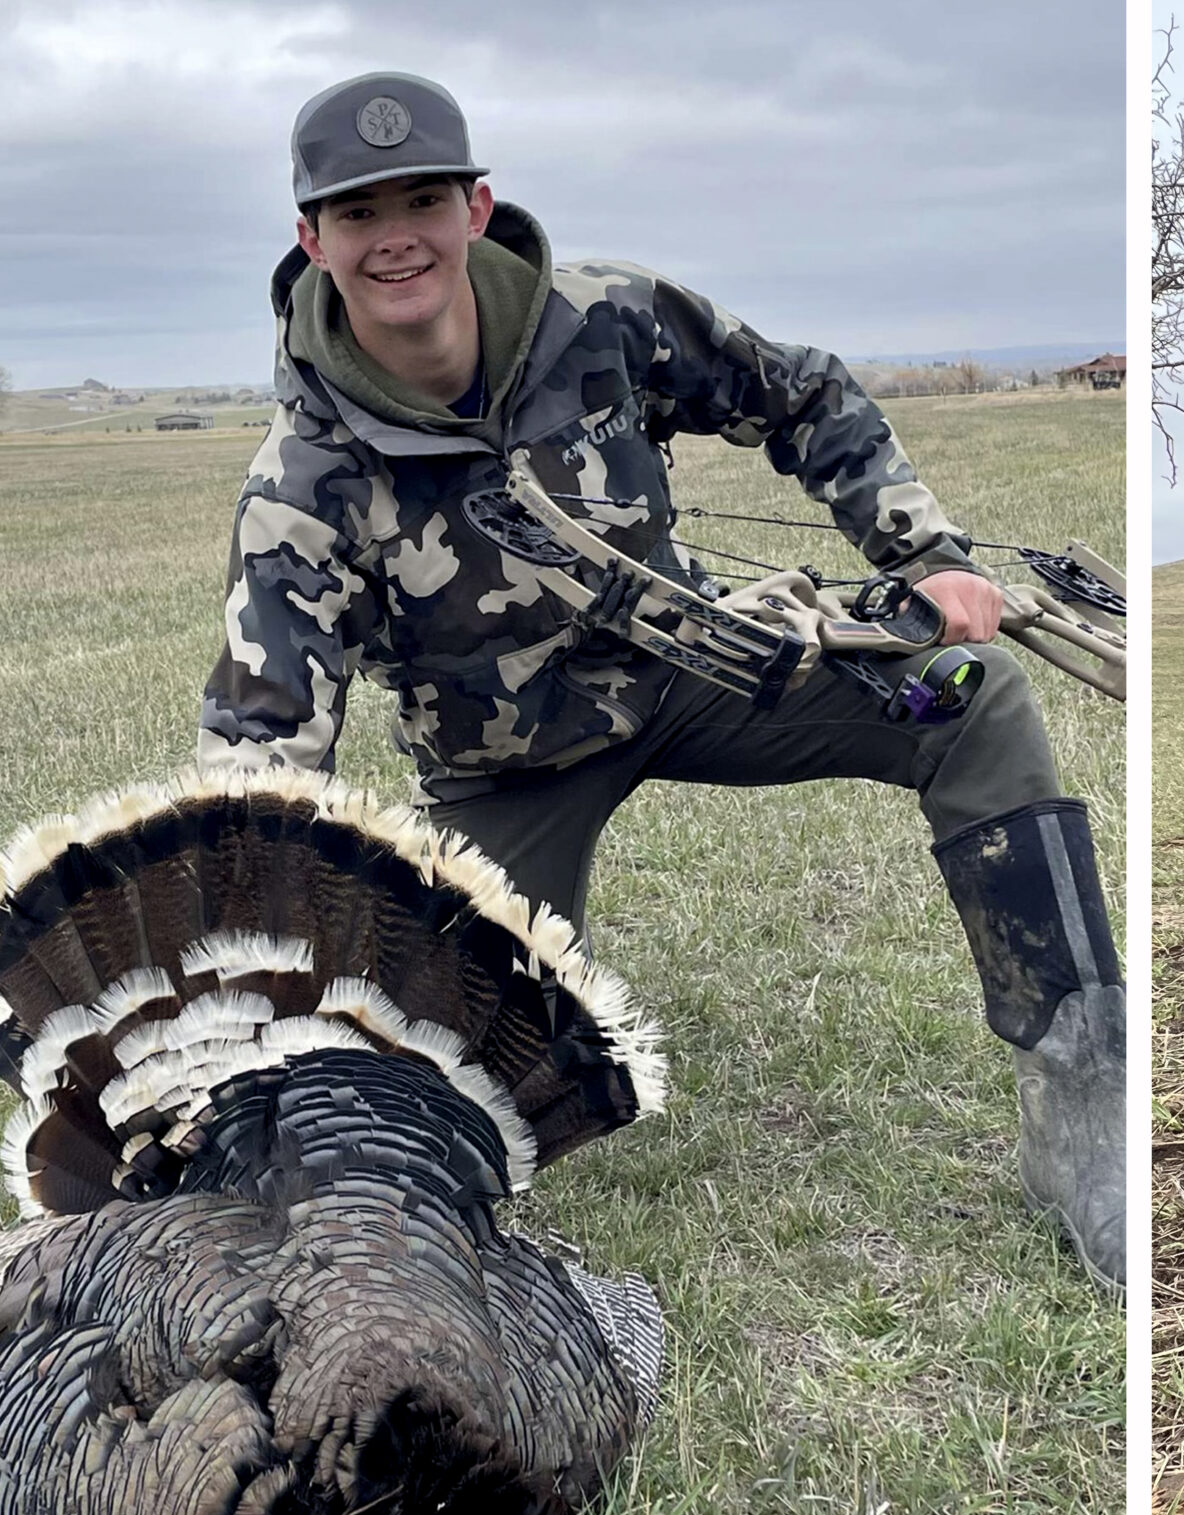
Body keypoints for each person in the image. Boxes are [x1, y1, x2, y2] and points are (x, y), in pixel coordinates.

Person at [194, 72, 1122, 1289]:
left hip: (696, 669)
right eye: (359, 214)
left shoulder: (607, 318)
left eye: (422, 198)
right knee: (450, 1095)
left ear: (477, 206)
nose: (396, 237)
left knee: (972, 694)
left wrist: (924, 552)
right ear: (313, 240)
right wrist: (233, 982)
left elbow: (802, 390)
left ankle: (1083, 1107)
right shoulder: (302, 485)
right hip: (502, 773)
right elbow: (264, 751)